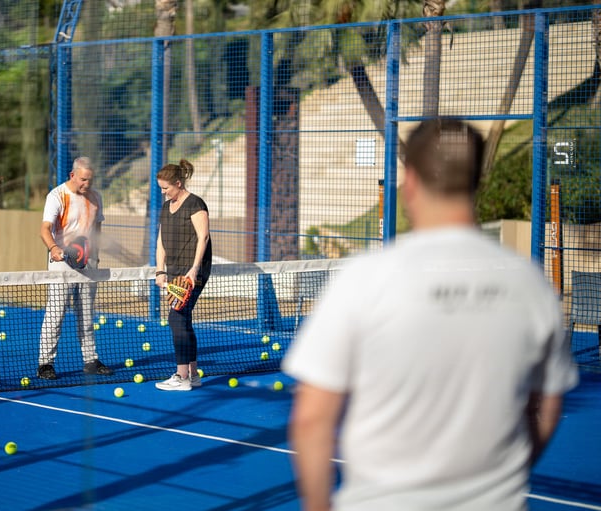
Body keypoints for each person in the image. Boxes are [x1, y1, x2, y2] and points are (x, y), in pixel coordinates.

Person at [282, 118, 578, 511]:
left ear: (410, 179)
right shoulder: (531, 284)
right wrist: (500, 479)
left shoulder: (364, 278)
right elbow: (546, 406)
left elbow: (311, 420)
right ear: (477, 180)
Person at [37, 156, 113, 380]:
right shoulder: (57, 196)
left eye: (90, 180)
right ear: (73, 175)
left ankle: (90, 360)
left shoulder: (96, 197)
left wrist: (96, 255)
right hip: (62, 263)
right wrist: (53, 248)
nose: (86, 185)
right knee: (56, 314)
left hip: (89, 263)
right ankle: (45, 364)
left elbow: (96, 229)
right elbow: (45, 229)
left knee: (86, 315)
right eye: (82, 180)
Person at [154, 159, 212, 391]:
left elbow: (203, 237)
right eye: (160, 188)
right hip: (174, 271)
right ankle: (193, 375)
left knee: (176, 318)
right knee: (183, 319)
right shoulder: (166, 207)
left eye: (166, 188)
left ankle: (182, 376)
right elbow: (161, 240)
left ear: (178, 183)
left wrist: (194, 268)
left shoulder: (195, 204)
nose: (163, 192)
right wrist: (160, 269)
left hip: (193, 272)